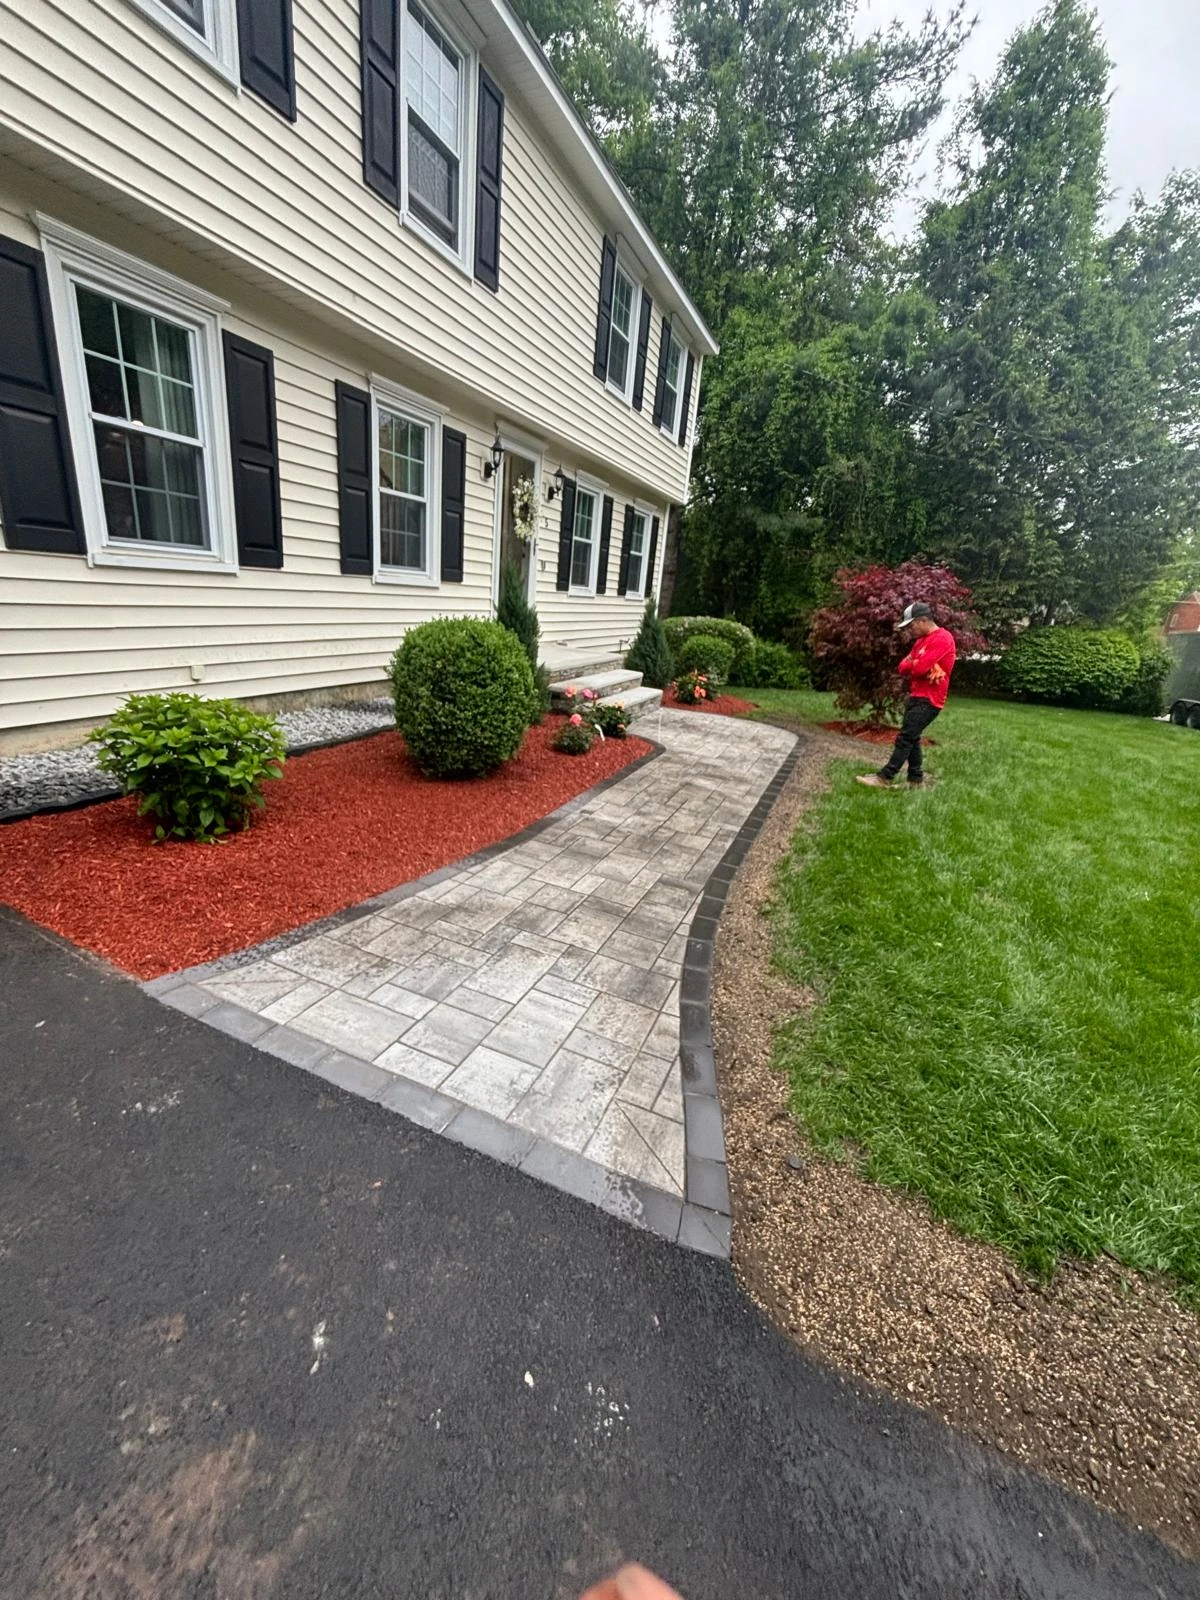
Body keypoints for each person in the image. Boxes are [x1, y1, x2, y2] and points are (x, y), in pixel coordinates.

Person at [855, 601, 956, 789]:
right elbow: (903, 667)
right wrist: (917, 662)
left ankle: (884, 777)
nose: (910, 630)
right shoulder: (920, 642)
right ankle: (915, 780)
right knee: (913, 736)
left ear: (923, 620)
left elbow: (920, 669)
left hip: (931, 700)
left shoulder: (943, 639)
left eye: (911, 625)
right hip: (917, 695)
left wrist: (917, 662)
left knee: (906, 737)